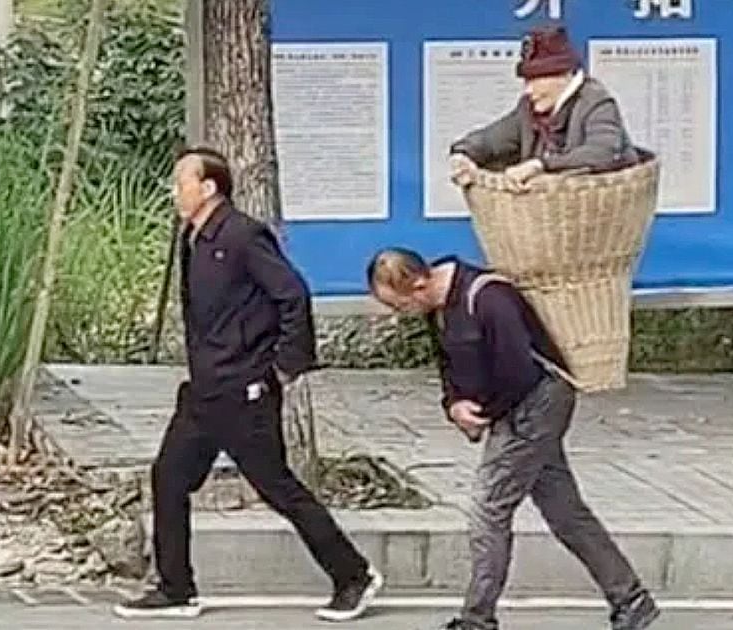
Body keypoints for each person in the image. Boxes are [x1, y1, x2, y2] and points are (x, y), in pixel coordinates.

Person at [114, 146, 383, 621]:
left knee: (277, 487)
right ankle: (176, 588)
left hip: (243, 391)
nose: (175, 191)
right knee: (169, 477)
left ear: (209, 188)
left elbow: (292, 293)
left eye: (182, 182)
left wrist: (285, 364)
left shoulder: (242, 235)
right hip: (203, 390)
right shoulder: (193, 236)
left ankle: (353, 575)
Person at [365, 248, 660, 630]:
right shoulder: (438, 308)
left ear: (418, 285)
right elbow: (449, 364)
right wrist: (453, 403)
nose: (399, 314)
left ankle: (477, 619)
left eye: (399, 305)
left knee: (489, 506)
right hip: (515, 406)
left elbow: (517, 370)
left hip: (536, 401)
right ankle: (631, 599)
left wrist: (483, 415)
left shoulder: (489, 297)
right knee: (564, 510)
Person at [448, 23, 637, 192]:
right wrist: (463, 154)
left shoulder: (596, 103)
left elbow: (602, 151)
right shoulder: (529, 109)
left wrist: (541, 165)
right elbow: (492, 138)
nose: (528, 90)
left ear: (563, 76)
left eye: (536, 80)